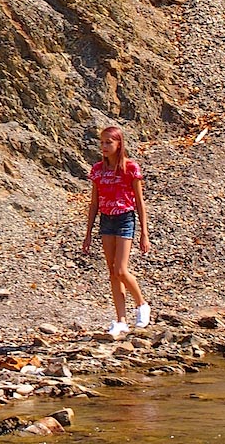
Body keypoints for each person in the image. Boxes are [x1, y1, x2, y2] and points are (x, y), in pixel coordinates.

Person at [82, 125, 150, 336]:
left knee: (121, 269)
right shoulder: (97, 170)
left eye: (108, 142)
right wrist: (88, 234)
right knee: (112, 272)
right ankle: (121, 320)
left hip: (124, 218)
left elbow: (139, 202)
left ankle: (141, 304)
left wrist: (144, 233)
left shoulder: (130, 168)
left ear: (119, 144)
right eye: (102, 142)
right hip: (106, 220)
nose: (104, 146)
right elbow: (94, 203)